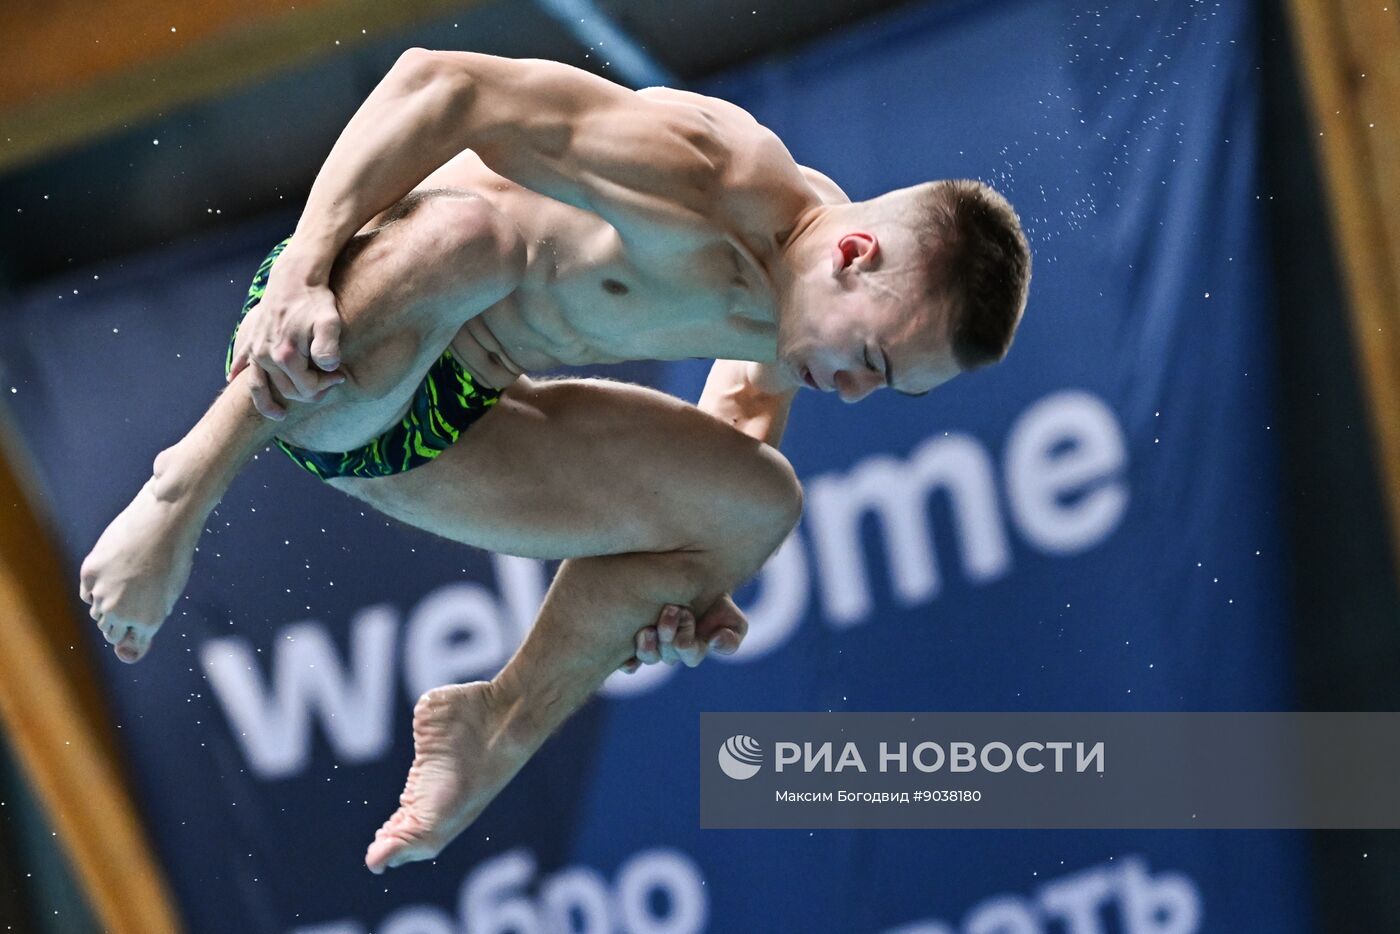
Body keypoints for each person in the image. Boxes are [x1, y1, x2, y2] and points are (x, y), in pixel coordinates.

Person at [77, 49, 1031, 874]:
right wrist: (301, 269)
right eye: (870, 362)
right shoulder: (699, 173)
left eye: (885, 385)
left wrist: (679, 590)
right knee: (475, 233)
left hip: (433, 443)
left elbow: (738, 419)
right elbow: (440, 82)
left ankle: (496, 729)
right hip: (325, 346)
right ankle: (181, 493)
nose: (854, 391)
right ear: (853, 254)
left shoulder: (797, 318)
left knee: (759, 505)